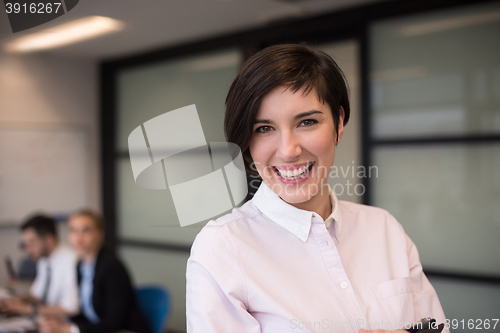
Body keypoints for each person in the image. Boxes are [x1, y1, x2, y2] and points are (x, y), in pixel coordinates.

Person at [186, 43, 449, 333]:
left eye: (307, 122)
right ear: (247, 142)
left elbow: (437, 327)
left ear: (338, 123)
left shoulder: (384, 229)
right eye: (264, 128)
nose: (288, 151)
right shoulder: (224, 248)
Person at [39, 210, 151, 333]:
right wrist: (63, 321)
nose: (78, 237)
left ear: (100, 234)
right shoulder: (81, 265)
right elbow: (89, 313)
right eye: (73, 230)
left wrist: (69, 329)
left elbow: (113, 323)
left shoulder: (111, 267)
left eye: (86, 230)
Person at [0, 214, 79, 317]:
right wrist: (11, 303)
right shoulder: (43, 259)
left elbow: (71, 308)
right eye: (25, 245)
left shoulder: (71, 261)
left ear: (49, 239)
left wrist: (27, 309)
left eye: (32, 243)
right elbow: (36, 295)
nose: (28, 250)